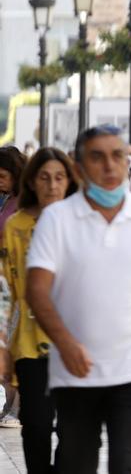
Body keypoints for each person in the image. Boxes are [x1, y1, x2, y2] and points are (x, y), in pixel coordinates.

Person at [26, 125, 131, 473]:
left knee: (128, 466)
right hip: (75, 373)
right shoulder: (57, 219)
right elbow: (36, 289)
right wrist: (65, 343)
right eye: (98, 157)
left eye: (118, 156)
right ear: (80, 168)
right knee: (75, 464)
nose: (110, 166)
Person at [1, 147, 77, 473]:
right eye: (44, 177)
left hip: (76, 343)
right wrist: (5, 345)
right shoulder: (16, 225)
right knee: (36, 426)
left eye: (59, 177)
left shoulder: (81, 222)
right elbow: (8, 291)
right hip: (31, 344)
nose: (52, 185)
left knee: (74, 433)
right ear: (32, 181)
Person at [0, 145, 27, 428]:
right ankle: (10, 404)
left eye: (3, 175)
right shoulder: (7, 199)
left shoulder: (27, 203)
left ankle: (18, 408)